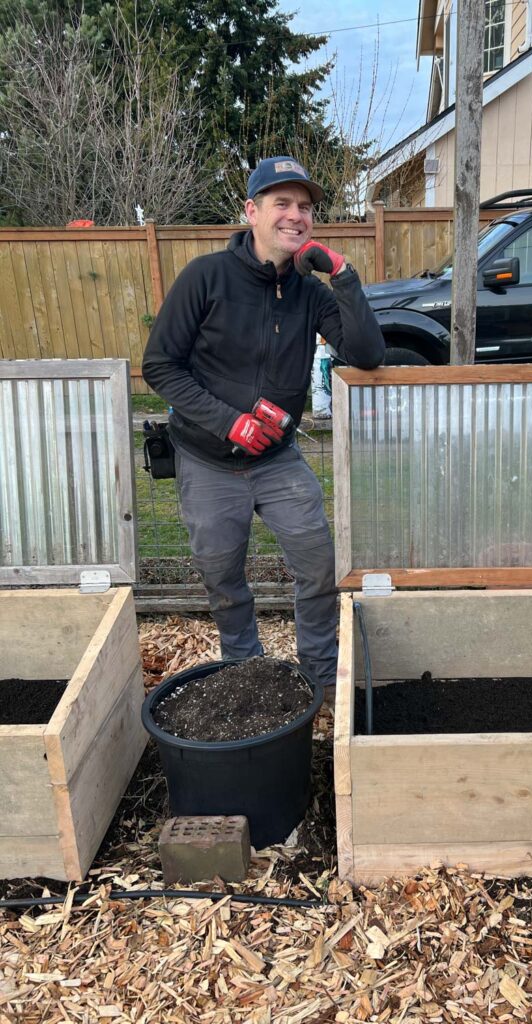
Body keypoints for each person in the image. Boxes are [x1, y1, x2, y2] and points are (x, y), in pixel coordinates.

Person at [142, 156, 385, 690]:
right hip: (206, 460)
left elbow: (366, 354)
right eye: (282, 203)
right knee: (223, 577)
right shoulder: (206, 277)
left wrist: (343, 277)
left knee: (318, 564)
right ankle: (247, 671)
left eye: (304, 207)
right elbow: (160, 365)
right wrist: (229, 422)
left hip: (277, 461)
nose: (295, 215)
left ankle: (320, 677)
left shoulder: (311, 293)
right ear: (252, 211)